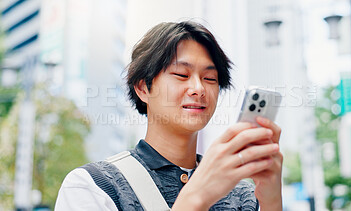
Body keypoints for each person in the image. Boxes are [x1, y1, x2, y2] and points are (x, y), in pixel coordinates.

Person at [55, 21, 283, 211]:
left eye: (210, 79)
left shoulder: (245, 196)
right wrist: (195, 198)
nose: (198, 88)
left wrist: (271, 199)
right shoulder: (92, 186)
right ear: (143, 88)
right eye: (181, 74)